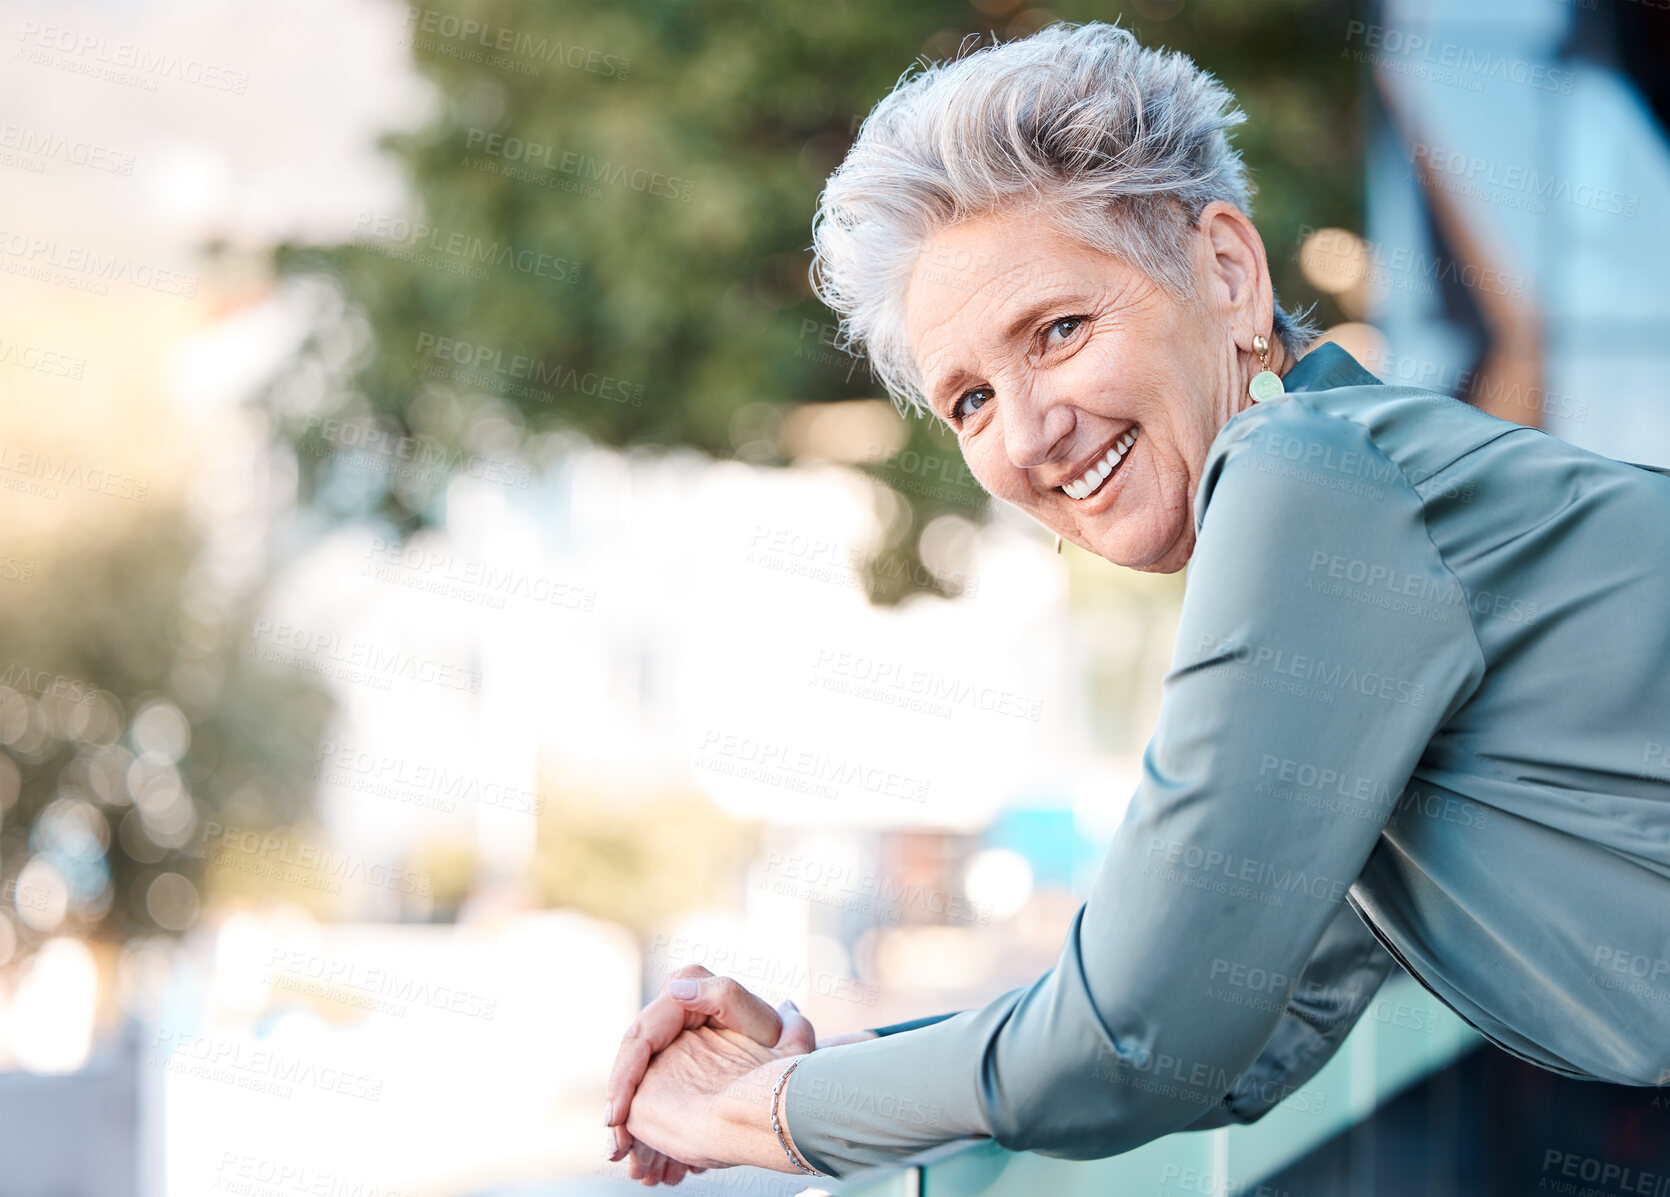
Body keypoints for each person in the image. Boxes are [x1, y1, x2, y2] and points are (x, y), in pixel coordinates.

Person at [603, 21, 1670, 1186]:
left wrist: (740, 1115)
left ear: (1224, 269)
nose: (1025, 434)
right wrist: (817, 1065)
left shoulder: (1310, 479)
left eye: (1057, 331)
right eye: (965, 401)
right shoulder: (1361, 500)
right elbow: (1233, 1031)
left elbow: (1132, 1039)